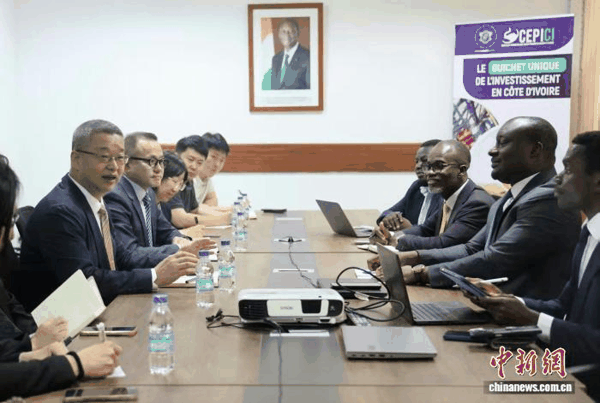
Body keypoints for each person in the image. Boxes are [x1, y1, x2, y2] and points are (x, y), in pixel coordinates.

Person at [466, 131, 600, 401]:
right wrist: (509, 301)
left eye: (568, 169)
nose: (558, 179)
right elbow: (562, 307)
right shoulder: (589, 233)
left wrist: (532, 319)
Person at [389, 117, 581, 299]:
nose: (491, 151)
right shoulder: (510, 197)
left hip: (523, 315)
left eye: (502, 143)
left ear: (534, 151)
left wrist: (422, 273)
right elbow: (470, 249)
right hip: (491, 306)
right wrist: (412, 257)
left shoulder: (550, 198)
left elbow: (494, 259)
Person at [18, 120, 198, 311]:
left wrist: (173, 258)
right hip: (66, 320)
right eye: (104, 157)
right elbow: (86, 283)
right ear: (76, 159)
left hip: (100, 308)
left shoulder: (96, 201)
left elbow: (121, 256)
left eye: (119, 158)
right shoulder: (61, 211)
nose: (114, 166)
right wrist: (154, 276)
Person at [0, 154, 122, 400]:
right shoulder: (60, 208)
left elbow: (9, 308)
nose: (12, 235)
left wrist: (29, 349)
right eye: (9, 221)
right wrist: (75, 364)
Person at [104, 132, 213, 267]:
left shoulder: (148, 193)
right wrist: (178, 249)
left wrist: (181, 240)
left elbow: (166, 230)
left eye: (161, 162)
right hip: (136, 276)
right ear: (127, 164)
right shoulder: (115, 196)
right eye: (151, 162)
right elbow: (129, 255)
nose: (159, 169)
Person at [372, 140, 494, 251]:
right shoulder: (431, 191)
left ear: (461, 170)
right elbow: (425, 229)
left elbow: (444, 243)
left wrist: (397, 240)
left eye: (439, 166)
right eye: (429, 166)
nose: (429, 172)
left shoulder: (476, 203)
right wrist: (390, 235)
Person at [376, 140, 444, 231]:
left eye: (425, 161)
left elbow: (433, 232)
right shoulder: (417, 187)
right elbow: (385, 212)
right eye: (417, 161)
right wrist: (389, 216)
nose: (418, 166)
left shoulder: (445, 194)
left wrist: (409, 229)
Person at [170, 135, 229, 228]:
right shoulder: (170, 179)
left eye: (199, 163)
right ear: (177, 156)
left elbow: (196, 210)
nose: (194, 166)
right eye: (190, 160)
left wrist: (227, 215)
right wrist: (220, 220)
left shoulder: (188, 181)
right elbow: (180, 219)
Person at [270, 18, 310, 90]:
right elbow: (273, 88)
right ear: (279, 34)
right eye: (283, 31)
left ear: (297, 33)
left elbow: (310, 90)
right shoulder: (275, 59)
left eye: (290, 31)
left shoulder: (308, 57)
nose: (287, 35)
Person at [155, 151, 188, 223]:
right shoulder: (143, 203)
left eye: (180, 184)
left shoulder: (164, 206)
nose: (175, 189)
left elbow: (166, 228)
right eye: (174, 181)